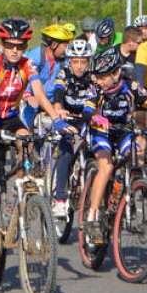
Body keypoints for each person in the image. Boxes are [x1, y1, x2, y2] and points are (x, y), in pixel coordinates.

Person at [0, 18, 70, 271]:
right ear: (2, 44)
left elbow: (38, 92)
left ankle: (20, 200)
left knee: (27, 142)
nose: (14, 50)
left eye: (20, 45)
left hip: (12, 119)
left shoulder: (27, 65)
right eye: (9, 44)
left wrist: (55, 119)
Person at [81, 46, 147, 245]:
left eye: (102, 77)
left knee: (138, 157)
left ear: (116, 74)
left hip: (123, 131)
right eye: (96, 77)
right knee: (106, 167)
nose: (98, 80)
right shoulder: (96, 89)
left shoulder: (131, 87)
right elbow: (87, 110)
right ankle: (92, 217)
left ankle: (126, 193)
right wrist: (96, 117)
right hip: (101, 132)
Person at [49, 38, 97, 217]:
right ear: (69, 61)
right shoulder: (64, 74)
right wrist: (59, 107)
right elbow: (58, 92)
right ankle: (60, 198)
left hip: (85, 117)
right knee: (66, 151)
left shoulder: (92, 77)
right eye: (75, 61)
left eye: (83, 61)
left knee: (94, 148)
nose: (79, 66)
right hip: (67, 117)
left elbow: (93, 99)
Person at [22, 23, 75, 128]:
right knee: (28, 137)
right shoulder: (36, 55)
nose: (67, 50)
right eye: (65, 46)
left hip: (52, 103)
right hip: (32, 101)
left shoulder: (65, 60)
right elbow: (24, 77)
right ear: (54, 44)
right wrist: (27, 95)